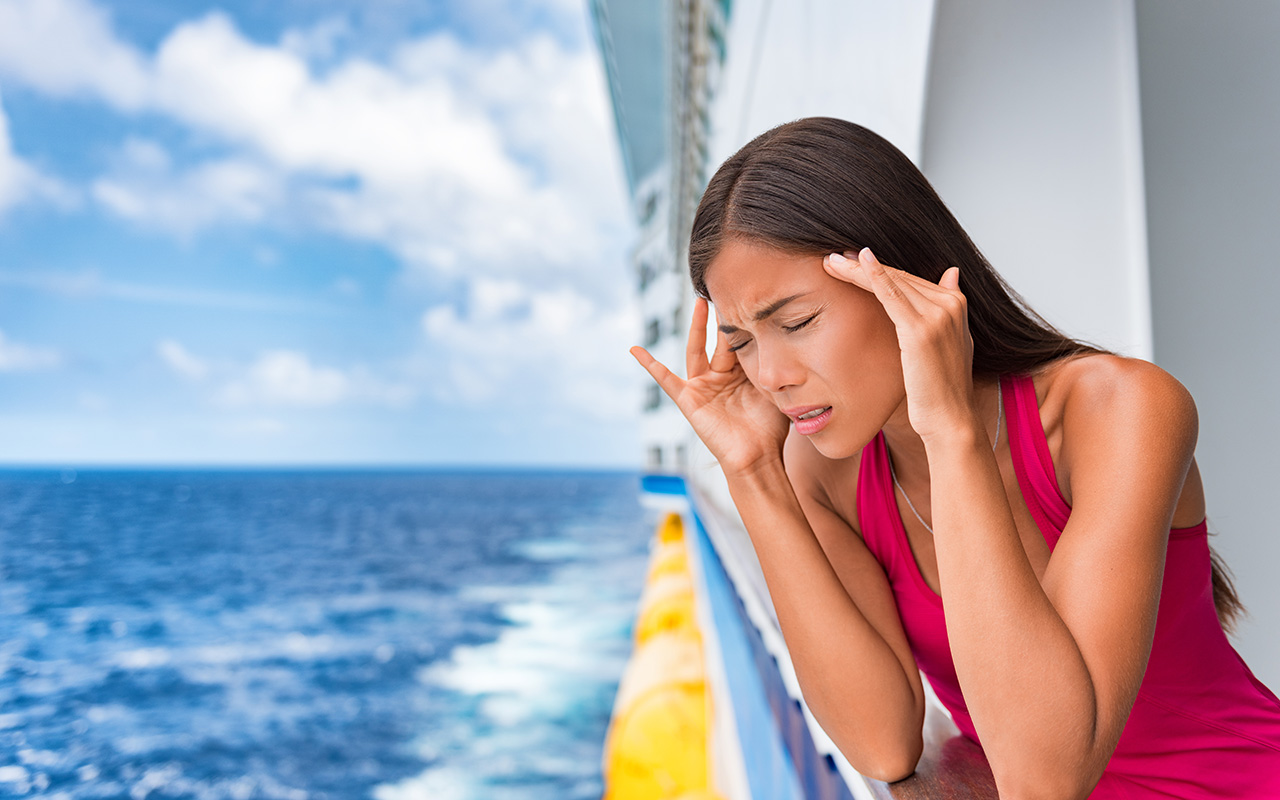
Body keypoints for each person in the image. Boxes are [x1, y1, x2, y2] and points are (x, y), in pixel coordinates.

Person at [630, 117, 1280, 799]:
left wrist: (949, 430)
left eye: (796, 324)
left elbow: (1044, 778)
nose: (771, 375)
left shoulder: (1118, 409)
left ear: (903, 283)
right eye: (742, 342)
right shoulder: (825, 471)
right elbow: (881, 742)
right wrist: (754, 473)